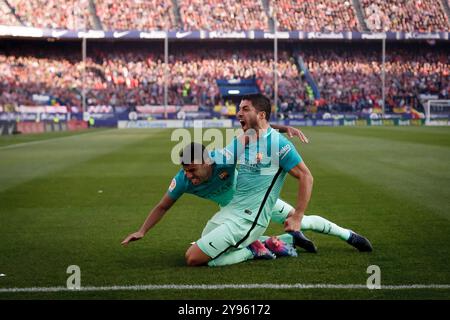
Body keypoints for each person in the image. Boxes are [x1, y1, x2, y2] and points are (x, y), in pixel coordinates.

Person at [122, 94, 372, 266]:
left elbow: (304, 174)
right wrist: (142, 230)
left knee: (297, 219)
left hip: (252, 210)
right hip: (236, 206)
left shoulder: (265, 146)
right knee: (206, 244)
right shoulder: (241, 142)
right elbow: (257, 130)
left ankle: (347, 235)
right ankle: (279, 241)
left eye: (244, 109)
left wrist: (284, 131)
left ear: (260, 113)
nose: (237, 113)